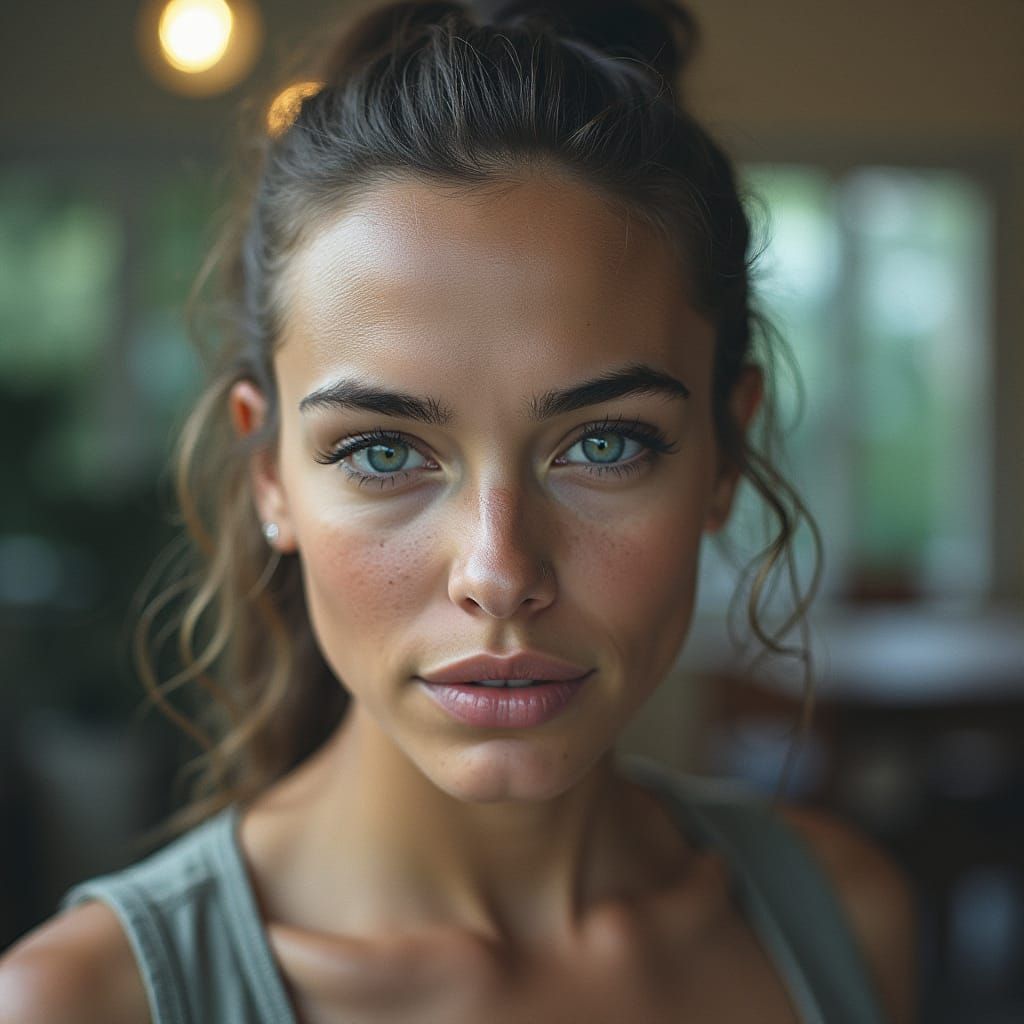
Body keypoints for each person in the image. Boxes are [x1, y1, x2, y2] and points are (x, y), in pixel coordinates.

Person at [0, 1, 916, 1020]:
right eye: (383, 450)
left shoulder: (843, 918)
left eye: (604, 444)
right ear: (269, 476)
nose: (498, 569)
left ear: (723, 453)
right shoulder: (78, 1002)